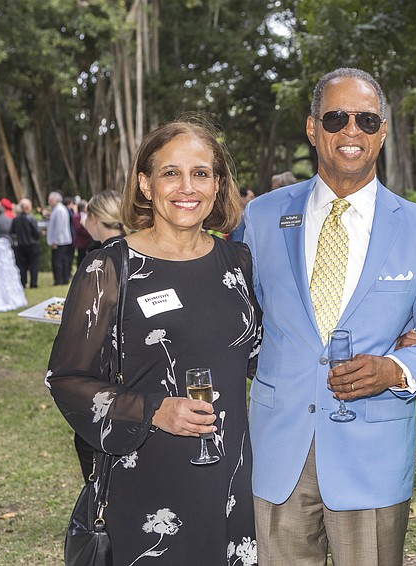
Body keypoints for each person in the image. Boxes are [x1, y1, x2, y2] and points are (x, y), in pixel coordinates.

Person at [243, 67, 416, 566]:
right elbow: (241, 315)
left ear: (382, 132)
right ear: (312, 128)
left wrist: (395, 369)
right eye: (336, 117)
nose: (351, 130)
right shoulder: (263, 216)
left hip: (372, 455)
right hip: (278, 449)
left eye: (366, 120)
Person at [46, 116, 261, 565]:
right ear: (145, 184)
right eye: (170, 173)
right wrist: (154, 410)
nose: (187, 187)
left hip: (231, 476)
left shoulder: (238, 261)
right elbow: (66, 378)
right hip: (148, 475)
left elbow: (259, 355)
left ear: (218, 185)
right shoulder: (109, 268)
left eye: (200, 173)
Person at [71, 189, 128, 483]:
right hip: (137, 368)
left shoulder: (100, 260)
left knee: (91, 445)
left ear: (94, 219)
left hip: (106, 370)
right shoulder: (140, 250)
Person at [11, 199, 42, 288]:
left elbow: (12, 232)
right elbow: (36, 232)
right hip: (32, 245)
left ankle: (23, 282)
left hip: (20, 245)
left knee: (22, 266)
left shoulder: (16, 219)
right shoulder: (31, 219)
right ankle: (33, 283)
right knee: (34, 265)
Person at [46, 191, 73, 285]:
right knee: (61, 261)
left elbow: (59, 227)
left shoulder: (59, 210)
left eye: (51, 200)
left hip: (60, 240)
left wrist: (55, 241)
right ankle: (62, 279)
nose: (49, 201)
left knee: (58, 262)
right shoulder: (57, 209)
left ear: (56, 200)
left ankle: (60, 280)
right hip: (61, 240)